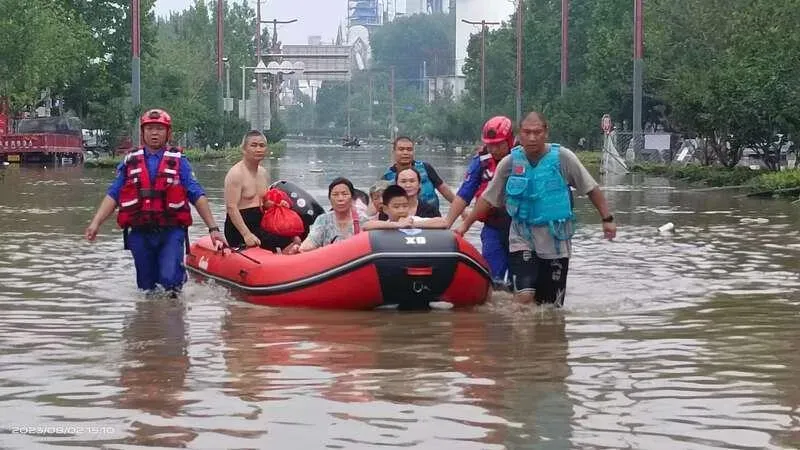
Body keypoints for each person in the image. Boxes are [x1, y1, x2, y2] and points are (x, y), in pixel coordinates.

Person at [456, 111, 617, 307]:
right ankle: (521, 336)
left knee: (551, 305)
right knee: (523, 298)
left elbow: (591, 188)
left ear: (546, 133)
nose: (532, 137)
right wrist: (464, 225)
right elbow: (487, 199)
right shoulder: (510, 163)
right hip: (522, 237)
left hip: (555, 240)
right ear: (519, 135)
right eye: (527, 132)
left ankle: (546, 336)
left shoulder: (563, 158)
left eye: (537, 132)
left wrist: (607, 219)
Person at [85, 108, 226, 294]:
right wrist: (95, 224)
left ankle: (175, 300)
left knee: (169, 281)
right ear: (143, 132)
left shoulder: (179, 161)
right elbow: (114, 195)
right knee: (146, 288)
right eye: (150, 128)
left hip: (171, 231)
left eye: (159, 129)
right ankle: (149, 320)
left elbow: (197, 195)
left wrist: (213, 228)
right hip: (140, 232)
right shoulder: (130, 161)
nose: (154, 133)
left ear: (168, 133)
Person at [445, 116, 514, 288]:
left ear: (510, 140)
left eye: (499, 144)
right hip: (493, 227)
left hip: (521, 229)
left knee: (519, 283)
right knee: (494, 280)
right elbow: (464, 195)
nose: (495, 149)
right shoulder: (481, 162)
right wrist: (447, 225)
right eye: (491, 145)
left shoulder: (523, 158)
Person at [223, 130, 300, 254]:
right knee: (288, 245)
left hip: (260, 222)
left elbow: (264, 203)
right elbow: (231, 207)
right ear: (244, 149)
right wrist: (246, 234)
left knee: (295, 240)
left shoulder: (263, 173)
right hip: (239, 226)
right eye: (253, 145)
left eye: (262, 145)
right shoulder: (236, 174)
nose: (258, 149)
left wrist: (277, 205)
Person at [381, 136, 458, 216]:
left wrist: (461, 210)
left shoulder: (425, 168)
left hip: (431, 216)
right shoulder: (387, 177)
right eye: (401, 149)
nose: (405, 153)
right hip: (401, 219)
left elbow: (444, 189)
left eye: (409, 149)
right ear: (394, 152)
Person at [299, 177, 368, 252]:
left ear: (351, 198)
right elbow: (307, 246)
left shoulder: (363, 220)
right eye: (335, 195)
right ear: (330, 199)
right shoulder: (323, 220)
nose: (340, 199)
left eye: (345, 194)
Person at [362, 184, 448, 230]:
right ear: (385, 209)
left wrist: (412, 224)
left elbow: (443, 222)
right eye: (396, 207)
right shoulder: (384, 224)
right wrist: (398, 225)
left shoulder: (414, 219)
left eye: (405, 206)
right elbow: (366, 225)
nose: (401, 210)